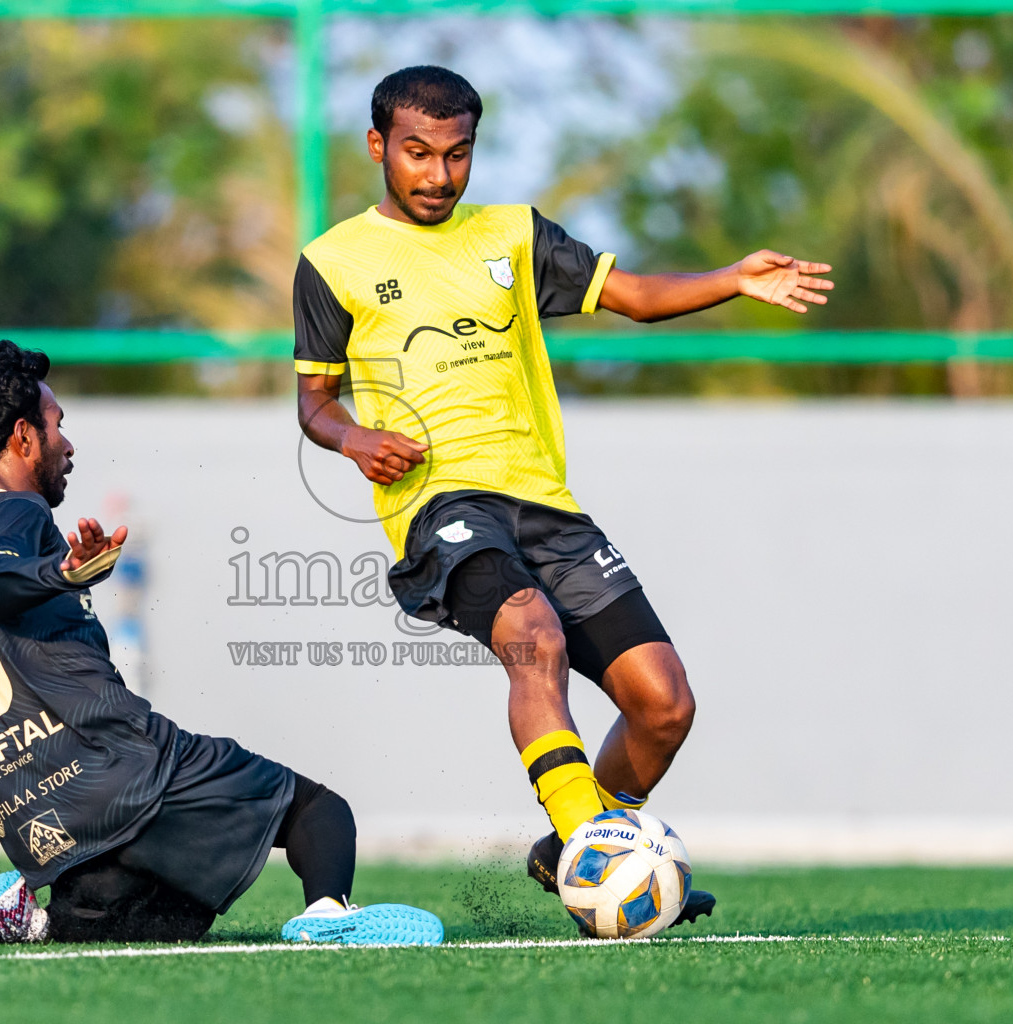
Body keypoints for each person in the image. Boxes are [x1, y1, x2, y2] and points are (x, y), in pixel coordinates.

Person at [293, 66, 835, 924]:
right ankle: (595, 841)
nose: (438, 175)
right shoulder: (333, 262)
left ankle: (563, 854)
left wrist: (732, 276)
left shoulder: (512, 235)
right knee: (532, 636)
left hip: (547, 504)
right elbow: (315, 403)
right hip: (440, 504)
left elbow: (636, 299)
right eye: (418, 153)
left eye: (458, 154)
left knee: (664, 703)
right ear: (378, 148)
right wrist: (358, 439)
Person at [0, 340, 441, 946]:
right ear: (22, 437)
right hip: (123, 769)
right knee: (319, 813)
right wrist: (60, 574)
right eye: (57, 424)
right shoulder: (16, 513)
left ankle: (20, 918)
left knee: (162, 928)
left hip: (39, 816)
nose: (68, 443)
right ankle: (327, 918)